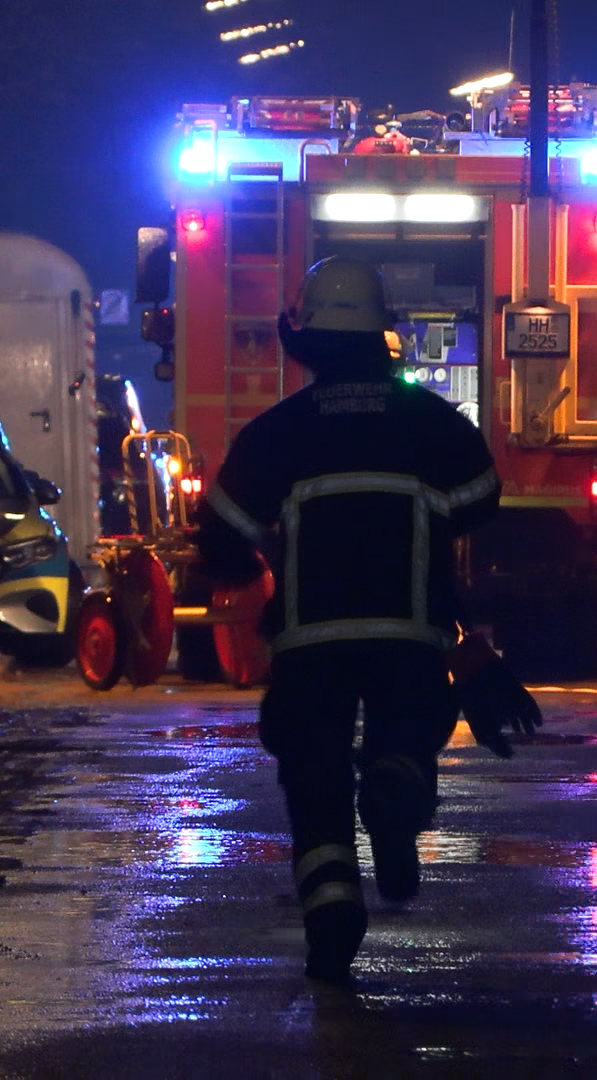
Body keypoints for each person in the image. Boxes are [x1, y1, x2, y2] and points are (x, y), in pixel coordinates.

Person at [195, 256, 538, 985]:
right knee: (408, 729)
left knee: (313, 773)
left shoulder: (276, 433)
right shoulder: (431, 421)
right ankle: (396, 782)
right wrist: (423, 512)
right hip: (409, 630)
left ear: (308, 338)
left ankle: (331, 910)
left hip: (308, 643)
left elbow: (220, 535)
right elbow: (480, 499)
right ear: (384, 333)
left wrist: (251, 561)